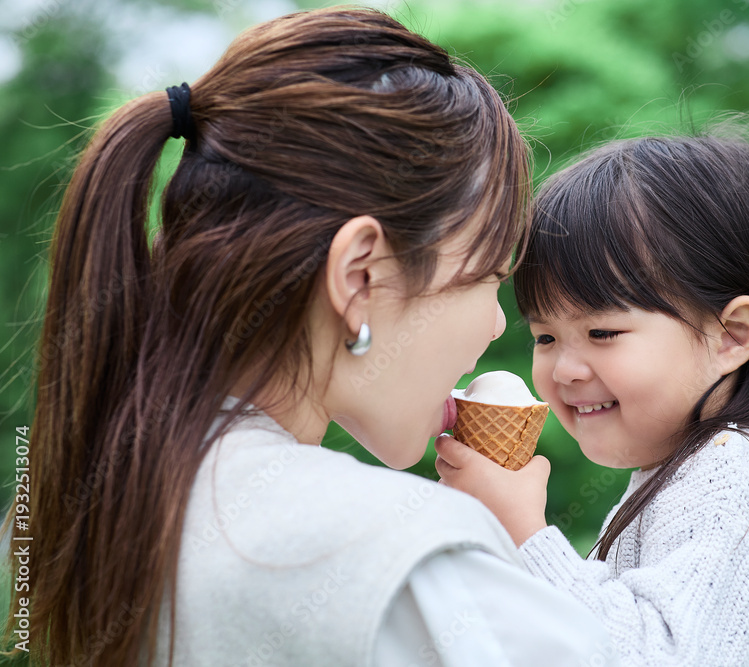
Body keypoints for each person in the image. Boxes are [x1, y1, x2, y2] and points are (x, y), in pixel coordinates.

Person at [1, 8, 620, 667]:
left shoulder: (58, 514)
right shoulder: (411, 558)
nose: (498, 323)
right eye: (490, 275)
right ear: (358, 276)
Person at [436, 134, 749, 665]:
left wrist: (525, 534)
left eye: (602, 332)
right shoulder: (685, 473)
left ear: (731, 336)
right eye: (545, 337)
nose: (565, 369)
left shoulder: (734, 469)